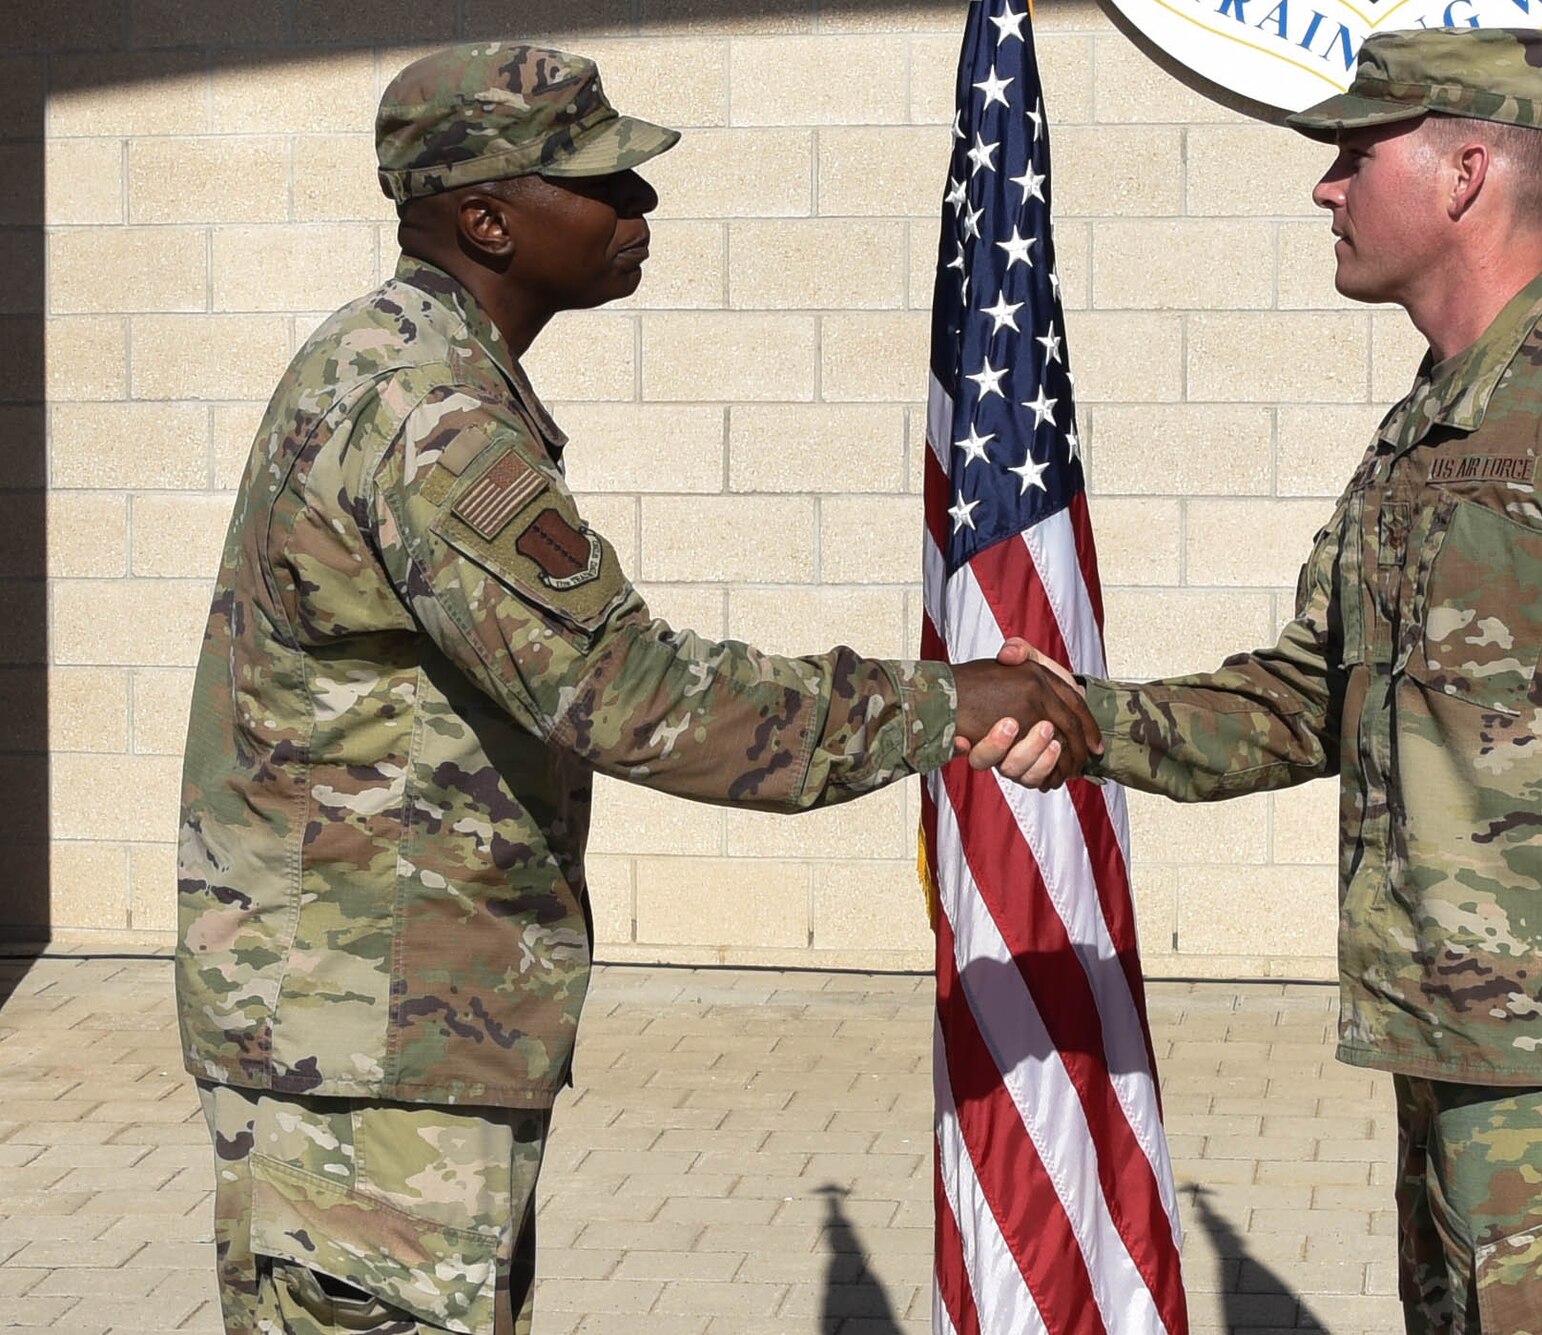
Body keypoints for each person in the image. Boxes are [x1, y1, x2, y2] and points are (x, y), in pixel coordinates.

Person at [174, 42, 1093, 1335]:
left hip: (387, 1032)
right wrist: (957, 703)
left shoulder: (408, 368)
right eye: (604, 183)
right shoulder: (426, 414)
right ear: (487, 218)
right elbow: (631, 695)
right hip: (369, 1060)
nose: (639, 209)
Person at [989, 27, 1542, 1335]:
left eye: (1353, 152)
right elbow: (1300, 698)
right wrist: (1085, 720)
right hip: (1455, 1087)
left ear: (1466, 173)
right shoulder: (1425, 437)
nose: (1326, 187)